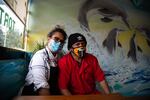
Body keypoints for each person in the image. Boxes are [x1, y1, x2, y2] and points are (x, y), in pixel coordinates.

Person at [22, 26, 67, 95]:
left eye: (61, 41)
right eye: (56, 39)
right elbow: (41, 86)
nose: (59, 43)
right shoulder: (40, 56)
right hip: (34, 93)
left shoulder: (59, 58)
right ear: (49, 39)